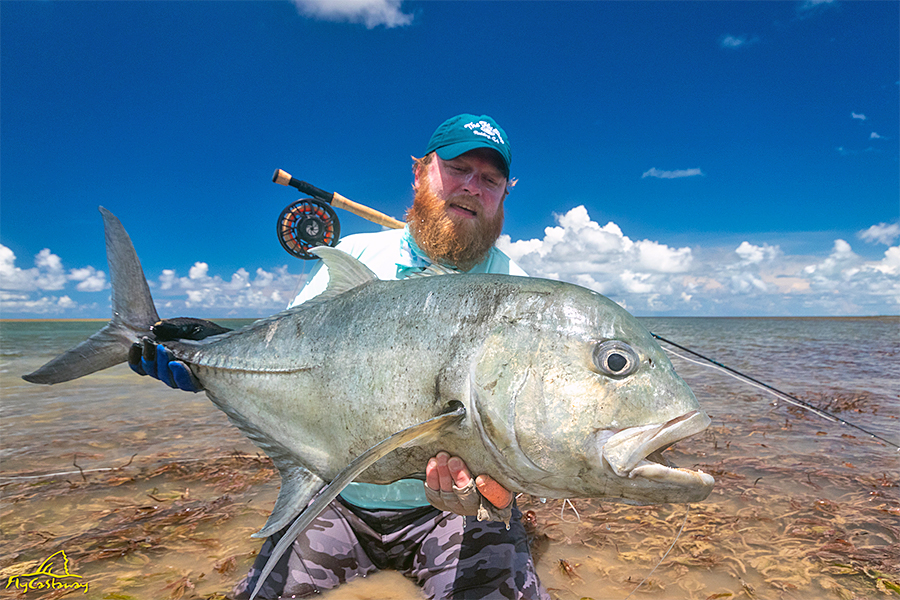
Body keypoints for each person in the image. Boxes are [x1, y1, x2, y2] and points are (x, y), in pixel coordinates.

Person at [131, 114, 549, 600]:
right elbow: (284, 357)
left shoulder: (520, 294)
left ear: (503, 195)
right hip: (333, 497)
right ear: (421, 174)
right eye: (458, 169)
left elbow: (524, 435)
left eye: (491, 180)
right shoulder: (355, 256)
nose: (473, 187)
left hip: (452, 516)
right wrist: (212, 352)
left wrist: (498, 494)